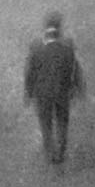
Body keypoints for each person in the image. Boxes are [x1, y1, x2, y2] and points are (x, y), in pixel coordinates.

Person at [24, 11, 84, 164]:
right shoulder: (67, 48)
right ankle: (61, 152)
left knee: (45, 124)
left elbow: (30, 72)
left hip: (42, 94)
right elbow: (74, 69)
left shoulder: (36, 48)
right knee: (62, 122)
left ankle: (50, 153)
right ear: (59, 29)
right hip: (62, 92)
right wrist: (77, 87)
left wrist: (28, 92)